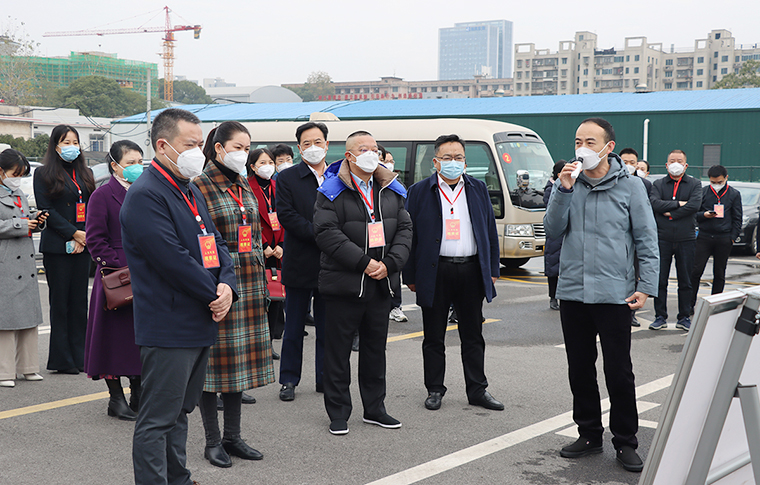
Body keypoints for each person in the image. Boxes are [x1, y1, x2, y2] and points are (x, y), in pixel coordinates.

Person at [122, 108, 237, 485]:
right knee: (157, 419)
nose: (198, 153)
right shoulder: (146, 195)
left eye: (200, 144)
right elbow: (172, 259)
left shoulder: (187, 188)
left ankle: (179, 478)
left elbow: (215, 243)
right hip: (169, 325)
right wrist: (214, 293)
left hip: (199, 319)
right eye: (190, 144)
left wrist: (227, 285)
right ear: (162, 145)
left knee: (180, 412)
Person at [544, 118, 658, 473]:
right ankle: (589, 434)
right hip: (575, 292)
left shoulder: (631, 187)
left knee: (619, 371)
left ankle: (625, 440)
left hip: (614, 294)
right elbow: (552, 230)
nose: (582, 148)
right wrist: (563, 190)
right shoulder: (567, 183)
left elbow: (646, 239)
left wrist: (646, 287)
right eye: (578, 141)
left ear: (608, 147)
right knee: (579, 368)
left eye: (590, 142)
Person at [314, 130, 412, 435]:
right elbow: (327, 233)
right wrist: (364, 262)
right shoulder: (331, 190)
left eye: (375, 149)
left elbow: (406, 229)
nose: (372, 154)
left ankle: (375, 408)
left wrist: (389, 264)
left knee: (374, 350)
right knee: (338, 352)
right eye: (364, 149)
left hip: (381, 283)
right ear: (349, 155)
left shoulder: (392, 188)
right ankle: (339, 411)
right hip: (344, 284)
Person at [194, 121, 275, 468]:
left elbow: (251, 234)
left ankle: (234, 437)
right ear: (218, 149)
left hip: (249, 285)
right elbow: (202, 242)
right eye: (238, 147)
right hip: (218, 287)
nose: (244, 153)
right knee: (213, 369)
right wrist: (212, 285)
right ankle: (213, 441)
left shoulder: (242, 183)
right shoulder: (200, 185)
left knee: (237, 367)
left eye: (248, 147)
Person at [404, 134, 504, 413]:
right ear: (436, 161)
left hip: (471, 270)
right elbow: (409, 236)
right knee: (434, 336)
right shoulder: (419, 191)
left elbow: (489, 232)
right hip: (435, 271)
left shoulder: (478, 188)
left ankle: (477, 390)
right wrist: (410, 276)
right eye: (447, 158)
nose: (453, 163)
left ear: (465, 161)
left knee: (473, 335)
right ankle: (434, 389)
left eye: (458, 157)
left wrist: (492, 268)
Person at [83, 141, 144, 420]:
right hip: (116, 277)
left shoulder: (145, 193)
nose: (136, 167)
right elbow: (95, 240)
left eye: (140, 161)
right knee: (112, 339)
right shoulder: (102, 195)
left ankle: (140, 392)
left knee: (139, 338)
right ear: (115, 166)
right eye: (130, 162)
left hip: (146, 274)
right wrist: (121, 269)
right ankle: (116, 398)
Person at [33, 125, 95, 374]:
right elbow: (46, 209)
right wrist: (73, 233)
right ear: (56, 146)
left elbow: (91, 206)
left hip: (83, 245)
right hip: (58, 247)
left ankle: (81, 356)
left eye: (75, 141)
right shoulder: (43, 173)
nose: (71, 146)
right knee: (60, 303)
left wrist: (85, 236)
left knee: (80, 302)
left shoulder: (86, 172)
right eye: (66, 142)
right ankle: (61, 360)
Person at [275, 122, 329, 401]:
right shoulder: (287, 178)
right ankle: (289, 380)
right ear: (299, 148)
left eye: (317, 142)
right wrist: (323, 235)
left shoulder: (338, 176)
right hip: (299, 262)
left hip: (332, 264)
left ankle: (324, 379)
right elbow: (286, 215)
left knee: (327, 327)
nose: (312, 148)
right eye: (306, 144)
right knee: (294, 326)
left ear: (327, 145)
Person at [0, 149, 47, 388]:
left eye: (21, 174)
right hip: (5, 263)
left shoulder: (18, 192)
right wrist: (21, 223)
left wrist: (36, 219)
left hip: (25, 261)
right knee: (5, 321)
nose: (17, 178)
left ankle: (28, 368)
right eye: (13, 173)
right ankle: (4, 372)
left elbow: (24, 219)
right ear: (0, 171)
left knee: (29, 317)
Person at [649, 150, 702, 331]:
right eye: (672, 160)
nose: (676, 163)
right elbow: (654, 203)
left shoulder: (694, 184)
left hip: (686, 238)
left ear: (686, 165)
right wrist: (680, 204)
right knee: (660, 279)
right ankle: (660, 316)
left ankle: (684, 316)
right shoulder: (658, 184)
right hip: (662, 237)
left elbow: (694, 205)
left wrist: (671, 212)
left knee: (685, 280)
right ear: (666, 164)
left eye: (679, 161)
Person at [248, 148, 285, 356]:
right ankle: (256, 344)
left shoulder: (277, 186)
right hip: (259, 249)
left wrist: (282, 246)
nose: (268, 166)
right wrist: (264, 246)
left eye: (270, 161)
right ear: (253, 166)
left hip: (278, 250)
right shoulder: (246, 187)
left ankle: (269, 342)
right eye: (262, 162)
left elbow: (285, 216)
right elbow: (248, 221)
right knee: (259, 300)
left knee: (276, 299)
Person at [690, 165, 742, 309]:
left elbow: (737, 218)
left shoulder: (734, 194)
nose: (716, 185)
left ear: (726, 178)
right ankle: (689, 305)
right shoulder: (703, 192)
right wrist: (704, 215)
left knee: (719, 273)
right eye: (713, 182)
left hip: (724, 238)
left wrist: (732, 237)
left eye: (719, 182)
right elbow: (694, 214)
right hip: (705, 236)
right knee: (695, 271)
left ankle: (714, 305)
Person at [619, 148, 652, 327]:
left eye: (632, 163)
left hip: (637, 240)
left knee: (636, 275)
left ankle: (632, 313)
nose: (628, 166)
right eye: (625, 162)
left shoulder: (643, 185)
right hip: (622, 244)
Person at [379, 144, 408, 324]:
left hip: (390, 241)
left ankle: (395, 306)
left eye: (390, 161)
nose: (388, 165)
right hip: (370, 245)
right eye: (384, 161)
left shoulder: (395, 184)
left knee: (394, 275)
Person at [543, 160, 566, 311]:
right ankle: (553, 297)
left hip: (566, 233)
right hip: (554, 235)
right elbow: (549, 204)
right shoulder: (551, 188)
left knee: (565, 268)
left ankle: (563, 297)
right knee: (553, 268)